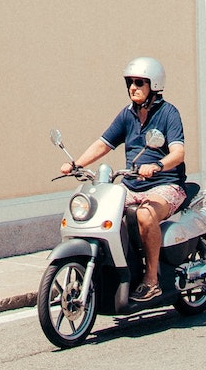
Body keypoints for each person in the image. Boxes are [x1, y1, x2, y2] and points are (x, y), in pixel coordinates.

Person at [59, 57, 186, 303]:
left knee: (145, 215)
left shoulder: (169, 113)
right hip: (132, 184)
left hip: (166, 183)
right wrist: (77, 164)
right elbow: (103, 143)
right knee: (99, 211)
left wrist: (158, 165)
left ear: (154, 85)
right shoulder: (127, 115)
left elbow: (178, 153)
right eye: (130, 82)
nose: (133, 87)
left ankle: (151, 280)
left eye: (140, 82)